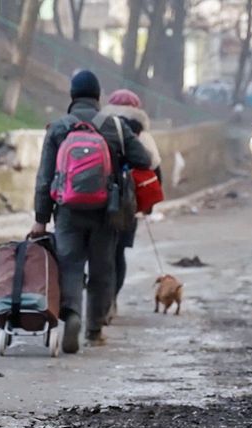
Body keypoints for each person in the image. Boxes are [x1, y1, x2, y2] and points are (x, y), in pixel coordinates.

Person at [31, 70, 150, 354]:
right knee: (102, 268)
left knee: (70, 265)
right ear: (98, 97)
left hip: (67, 211)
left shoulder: (59, 128)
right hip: (106, 210)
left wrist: (40, 220)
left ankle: (72, 314)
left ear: (72, 96)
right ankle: (94, 330)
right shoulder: (114, 126)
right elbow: (144, 159)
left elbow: (44, 178)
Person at [100, 89, 163, 322]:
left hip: (100, 201)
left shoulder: (100, 127)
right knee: (118, 254)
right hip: (128, 205)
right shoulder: (142, 135)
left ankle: (98, 301)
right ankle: (112, 301)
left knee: (100, 253)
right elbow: (154, 169)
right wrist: (147, 206)